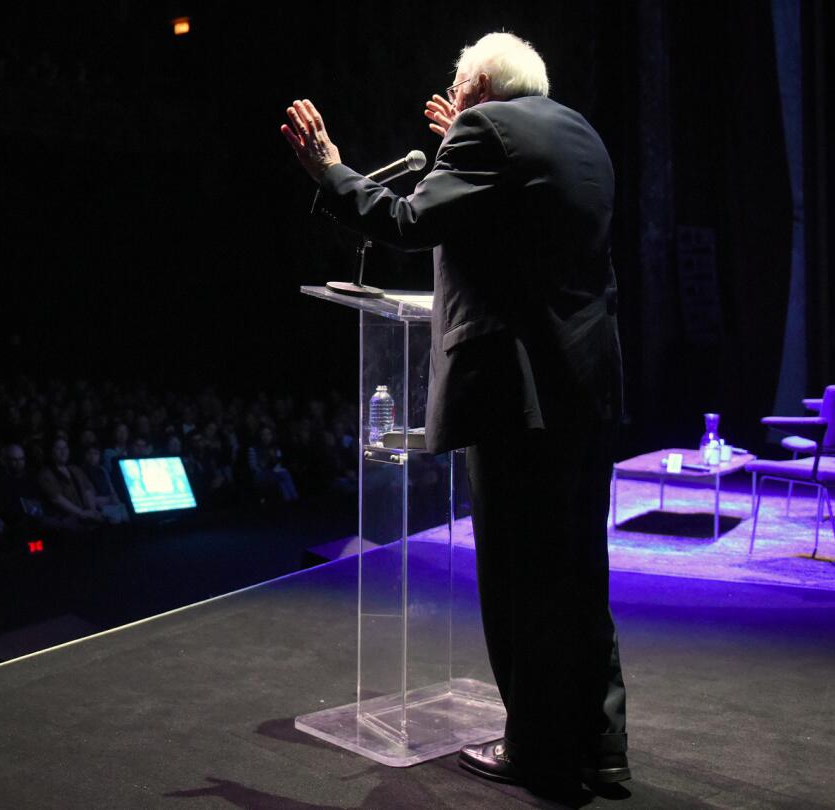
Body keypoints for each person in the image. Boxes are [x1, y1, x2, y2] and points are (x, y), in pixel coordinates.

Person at [281, 32, 628, 792]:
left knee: (516, 579)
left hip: (515, 395)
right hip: (585, 391)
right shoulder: (582, 137)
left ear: (475, 87)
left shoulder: (484, 133)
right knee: (577, 573)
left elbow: (406, 222)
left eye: (461, 89)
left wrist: (330, 171)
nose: (456, 100)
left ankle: (537, 750)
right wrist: (463, 151)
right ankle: (601, 744)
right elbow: (517, 229)